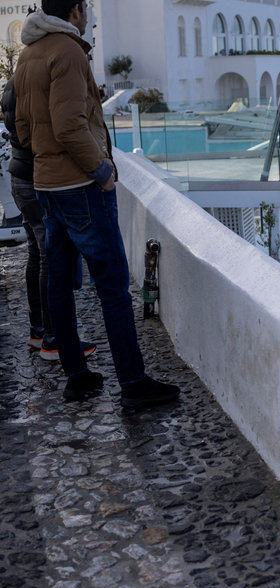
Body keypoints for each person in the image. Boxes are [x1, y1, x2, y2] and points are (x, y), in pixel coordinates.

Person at [15, 1, 179, 407]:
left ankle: (77, 376)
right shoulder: (67, 50)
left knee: (59, 283)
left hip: (47, 186)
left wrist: (47, 162)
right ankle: (133, 382)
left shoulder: (29, 53)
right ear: (74, 11)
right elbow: (69, 124)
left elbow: (21, 126)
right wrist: (102, 171)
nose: (88, 13)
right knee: (112, 286)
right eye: (85, 7)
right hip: (80, 185)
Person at [2, 77, 97, 361]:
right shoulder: (36, 82)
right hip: (35, 178)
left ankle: (38, 331)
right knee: (51, 258)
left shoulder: (13, 81)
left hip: (19, 176)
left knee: (37, 254)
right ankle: (55, 340)